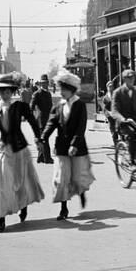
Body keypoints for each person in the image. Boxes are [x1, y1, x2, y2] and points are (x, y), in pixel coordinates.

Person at [0, 73, 44, 233]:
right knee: (2, 185)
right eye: (2, 91)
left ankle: (23, 206)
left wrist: (39, 138)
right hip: (3, 150)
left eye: (8, 91)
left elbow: (32, 121)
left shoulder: (20, 106)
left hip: (20, 150)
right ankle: (1, 220)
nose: (5, 94)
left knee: (21, 181)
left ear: (12, 91)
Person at [41, 70, 95, 221]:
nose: (61, 92)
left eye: (64, 90)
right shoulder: (58, 106)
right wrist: (43, 137)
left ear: (71, 90)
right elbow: (51, 123)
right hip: (62, 147)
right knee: (62, 178)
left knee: (78, 177)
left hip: (77, 147)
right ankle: (64, 208)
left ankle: (81, 193)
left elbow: (81, 127)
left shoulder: (79, 105)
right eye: (60, 89)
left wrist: (74, 144)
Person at [31, 74, 54, 164]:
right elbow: (31, 106)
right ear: (40, 84)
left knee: (42, 138)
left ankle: (40, 157)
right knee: (45, 138)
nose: (45, 85)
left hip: (47, 118)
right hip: (40, 119)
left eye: (46, 83)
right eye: (43, 83)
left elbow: (51, 106)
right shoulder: (36, 94)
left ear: (48, 83)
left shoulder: (48, 94)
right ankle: (47, 158)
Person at [102, 81, 118, 145]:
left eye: (112, 86)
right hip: (109, 115)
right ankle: (115, 143)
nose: (111, 88)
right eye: (109, 86)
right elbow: (104, 109)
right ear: (107, 87)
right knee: (113, 129)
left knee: (119, 128)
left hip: (116, 114)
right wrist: (108, 114)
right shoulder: (105, 98)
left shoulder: (116, 95)